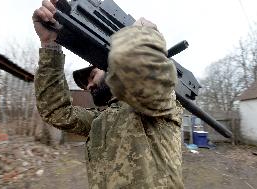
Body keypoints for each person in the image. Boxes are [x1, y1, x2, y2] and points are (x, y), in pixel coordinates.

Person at [32, 0, 184, 188]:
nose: (88, 86)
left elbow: (149, 78)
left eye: (92, 75)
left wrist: (138, 39)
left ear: (110, 66)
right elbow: (55, 112)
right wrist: (50, 45)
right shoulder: (100, 121)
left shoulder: (157, 107)